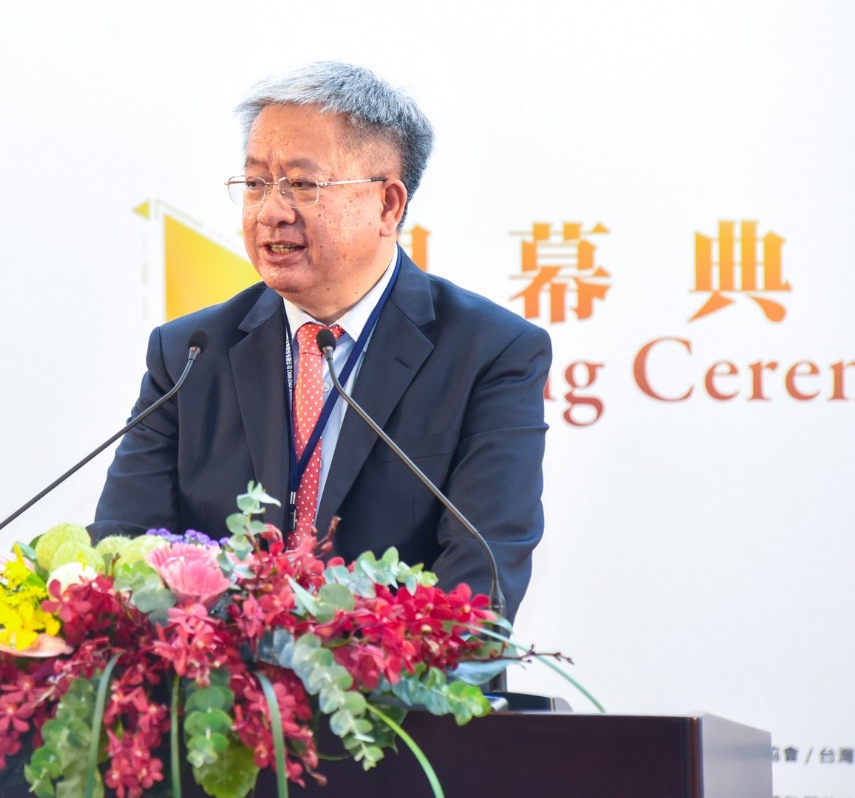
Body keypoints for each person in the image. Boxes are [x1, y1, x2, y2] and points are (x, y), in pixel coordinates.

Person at [93, 62, 551, 621]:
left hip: (393, 675)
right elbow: (123, 550)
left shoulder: (490, 353)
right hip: (212, 672)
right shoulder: (189, 354)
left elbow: (480, 582)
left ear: (388, 205)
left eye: (303, 186)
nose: (271, 212)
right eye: (255, 184)